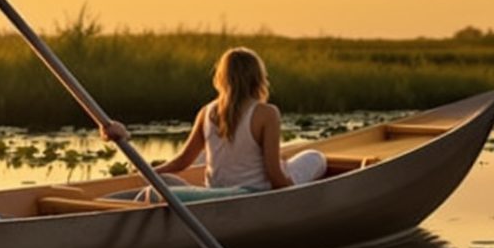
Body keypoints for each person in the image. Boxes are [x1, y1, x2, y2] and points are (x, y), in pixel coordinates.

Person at [104, 47, 328, 202]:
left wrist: (151, 171)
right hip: (251, 193)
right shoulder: (266, 113)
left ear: (222, 78)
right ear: (257, 78)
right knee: (315, 157)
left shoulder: (207, 111)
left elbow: (183, 161)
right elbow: (273, 174)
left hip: (215, 191)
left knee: (165, 180)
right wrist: (295, 196)